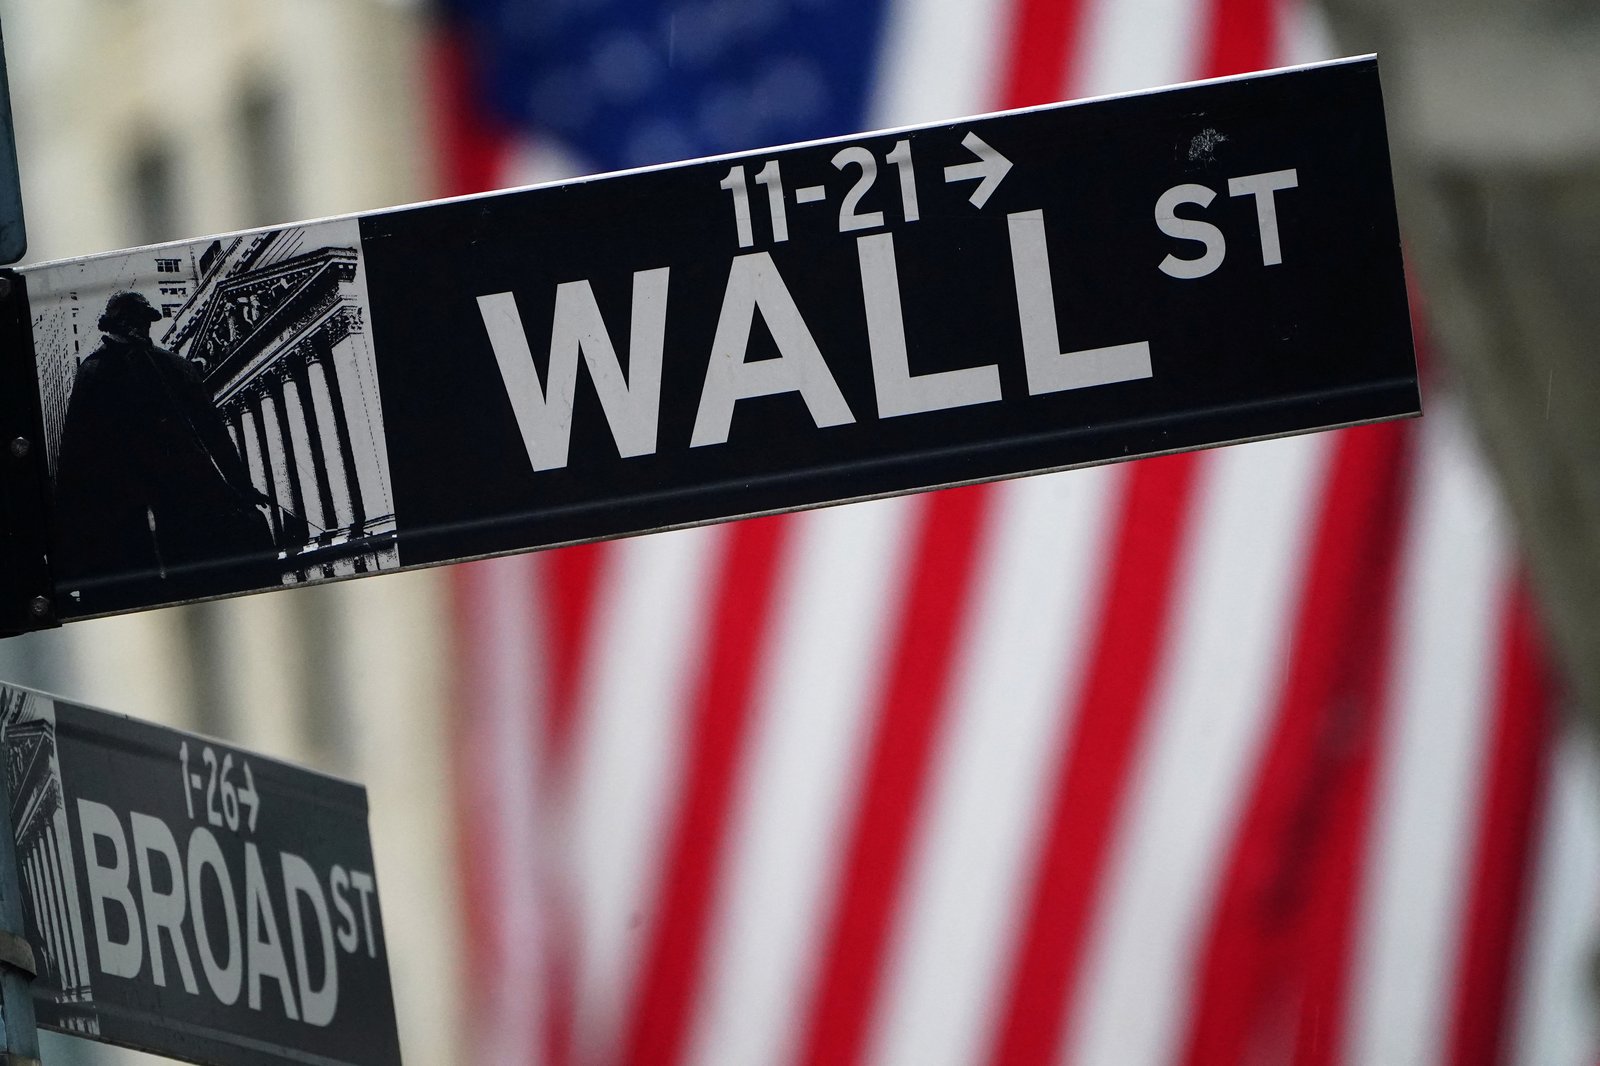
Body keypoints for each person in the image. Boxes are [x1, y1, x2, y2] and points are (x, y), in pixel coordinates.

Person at [51, 290, 277, 612]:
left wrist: (242, 486)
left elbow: (213, 431)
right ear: (115, 325)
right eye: (132, 321)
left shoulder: (173, 367)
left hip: (182, 493)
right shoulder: (95, 371)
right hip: (126, 502)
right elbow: (76, 453)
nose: (140, 328)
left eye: (143, 321)